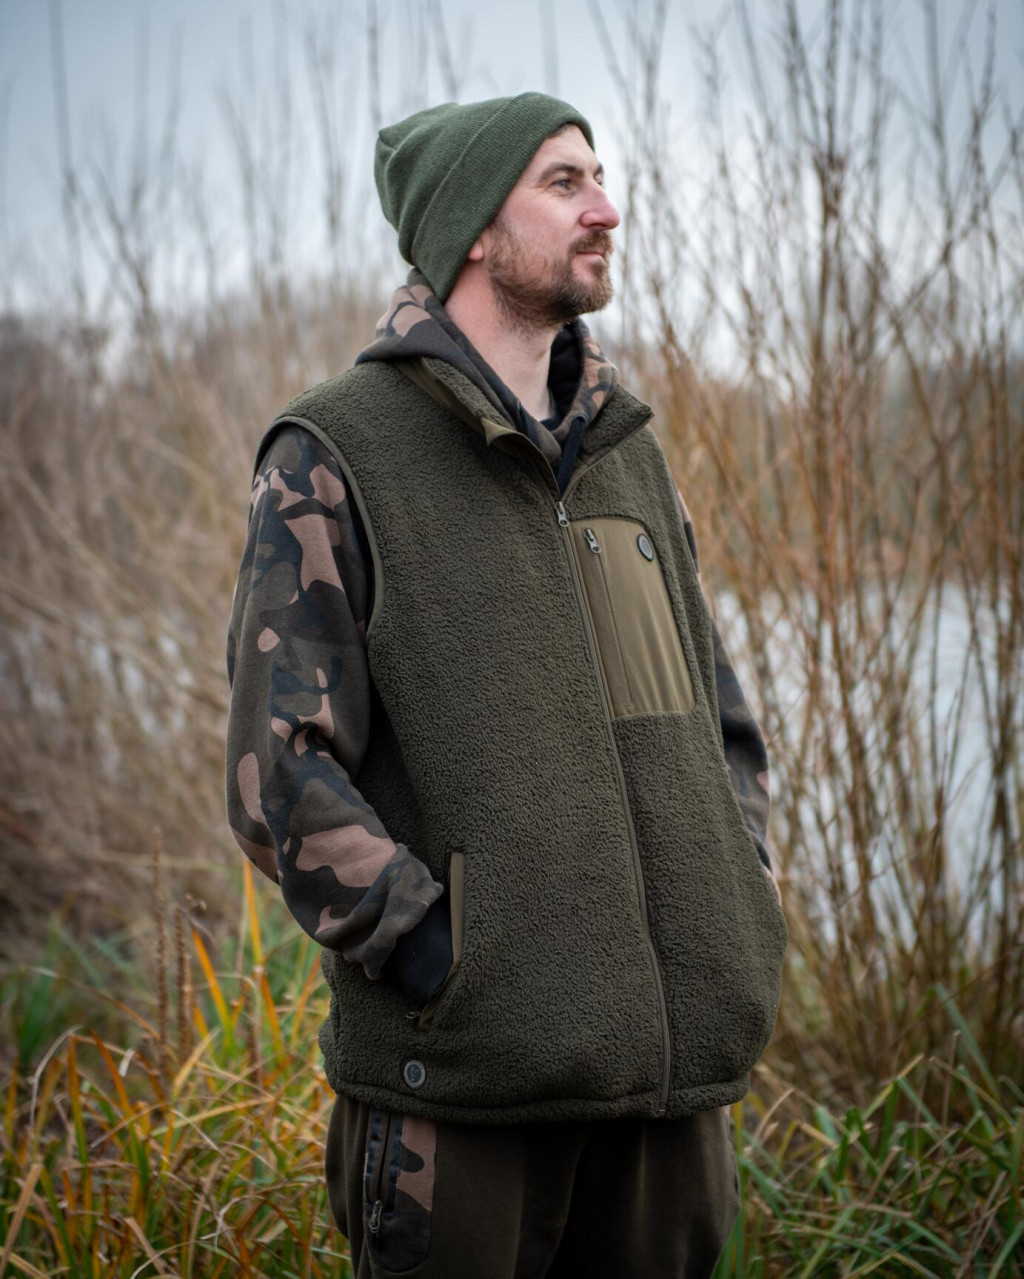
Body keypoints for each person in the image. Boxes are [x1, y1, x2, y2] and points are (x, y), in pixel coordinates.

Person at [225, 91, 788, 1279]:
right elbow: (280, 774)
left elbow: (718, 722)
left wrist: (737, 895)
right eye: (564, 183)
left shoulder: (628, 453)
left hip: (667, 1100)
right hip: (462, 1105)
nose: (606, 210)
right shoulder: (334, 455)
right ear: (475, 226)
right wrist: (444, 959)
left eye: (600, 178)